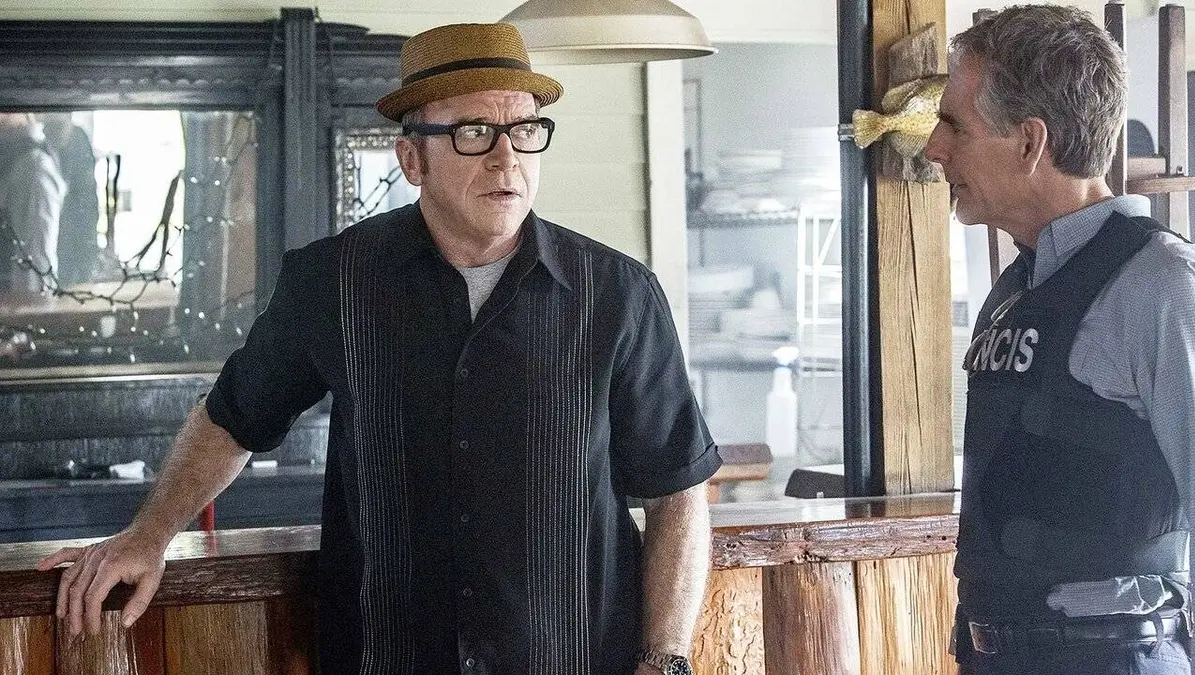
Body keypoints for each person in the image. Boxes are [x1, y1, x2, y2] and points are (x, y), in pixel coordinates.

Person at [37, 22, 719, 675]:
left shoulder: (618, 294)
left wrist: (665, 658)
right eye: (474, 132)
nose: (507, 157)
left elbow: (678, 492)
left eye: (524, 129)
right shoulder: (332, 282)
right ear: (411, 157)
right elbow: (232, 419)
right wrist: (149, 533)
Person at [925, 6, 1195, 674]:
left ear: (1029, 142)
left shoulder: (1160, 284)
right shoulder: (1020, 284)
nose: (934, 147)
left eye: (954, 124)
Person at [0, 112, 64, 293]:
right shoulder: (13, 159)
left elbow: (34, 270)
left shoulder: (31, 168)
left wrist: (31, 308)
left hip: (16, 305)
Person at [41, 113, 100, 289]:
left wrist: (86, 258)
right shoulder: (41, 148)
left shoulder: (78, 143)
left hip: (74, 239)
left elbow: (87, 206)